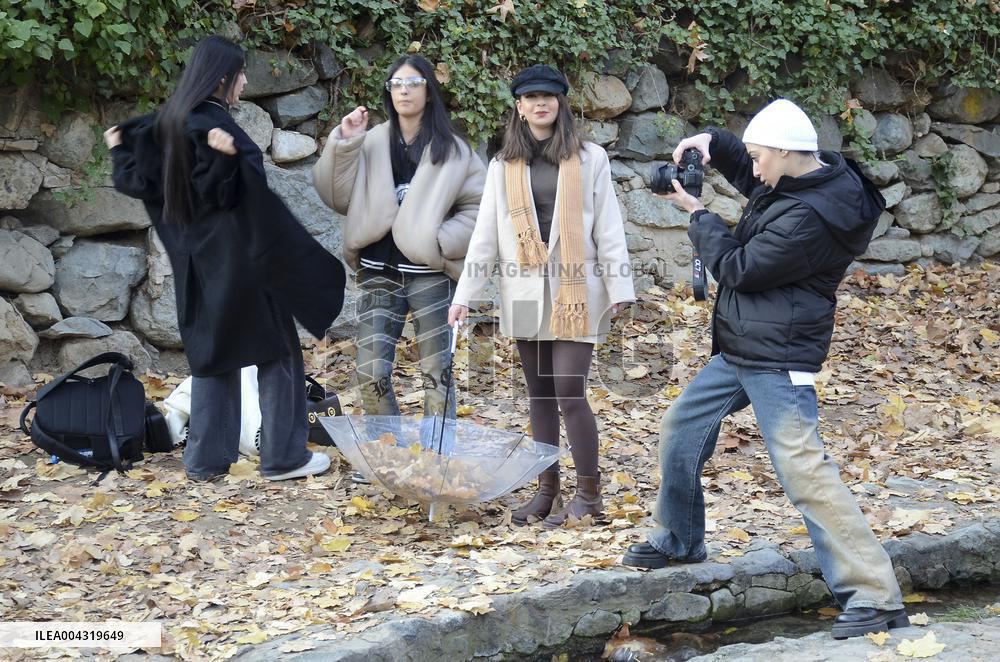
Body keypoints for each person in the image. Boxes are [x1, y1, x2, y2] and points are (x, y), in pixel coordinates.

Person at [620, 99, 908, 638]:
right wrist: (717, 144)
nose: (753, 169)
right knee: (681, 426)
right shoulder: (808, 180)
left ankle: (875, 597)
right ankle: (679, 537)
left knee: (805, 473)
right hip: (744, 345)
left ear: (784, 152)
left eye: (757, 156)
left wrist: (696, 214)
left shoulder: (811, 218)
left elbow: (738, 267)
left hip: (780, 354)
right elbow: (762, 192)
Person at [104, 35, 345, 482]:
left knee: (214, 356)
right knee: (279, 354)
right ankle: (284, 457)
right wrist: (228, 158)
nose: (246, 81)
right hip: (244, 263)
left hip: (196, 268)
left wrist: (119, 149)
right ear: (222, 79)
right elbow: (228, 193)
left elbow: (137, 182)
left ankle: (205, 462)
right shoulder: (216, 127)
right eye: (241, 74)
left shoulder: (164, 127)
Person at [448, 65, 635, 528]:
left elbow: (607, 226)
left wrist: (620, 287)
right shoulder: (502, 165)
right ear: (518, 105)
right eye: (530, 96)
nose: (539, 103)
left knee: (569, 391)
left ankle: (589, 495)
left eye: (548, 96)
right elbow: (486, 235)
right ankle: (546, 490)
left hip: (578, 290)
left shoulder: (590, 158)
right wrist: (465, 294)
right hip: (525, 291)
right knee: (539, 396)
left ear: (561, 102)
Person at [312, 54, 485, 434]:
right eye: (396, 84)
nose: (404, 90)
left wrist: (439, 241)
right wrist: (345, 141)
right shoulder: (370, 141)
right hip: (377, 272)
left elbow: (479, 207)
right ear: (388, 92)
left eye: (413, 83)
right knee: (370, 370)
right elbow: (335, 194)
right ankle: (385, 451)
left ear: (429, 90)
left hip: (431, 276)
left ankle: (436, 457)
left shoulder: (453, 147)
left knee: (436, 372)